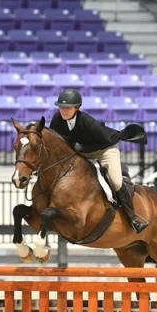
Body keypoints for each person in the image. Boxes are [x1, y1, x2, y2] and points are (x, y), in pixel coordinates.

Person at [49, 88, 149, 234]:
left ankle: (133, 218)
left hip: (105, 150)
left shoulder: (87, 122)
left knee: (115, 181)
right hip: (82, 152)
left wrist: (84, 146)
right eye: (61, 107)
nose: (63, 111)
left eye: (67, 108)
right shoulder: (57, 120)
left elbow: (105, 141)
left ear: (76, 108)